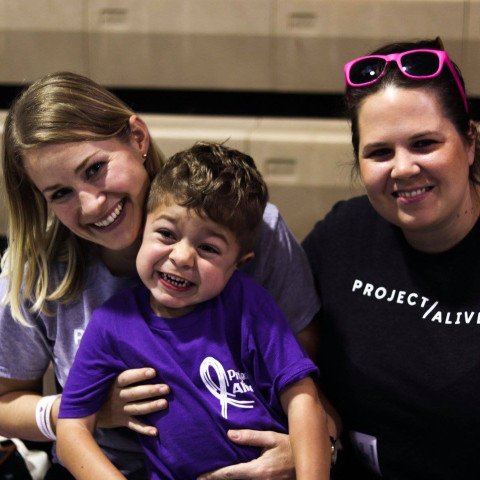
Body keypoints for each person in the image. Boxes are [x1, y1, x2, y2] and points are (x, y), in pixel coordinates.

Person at [0, 71, 329, 479]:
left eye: (94, 169)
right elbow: (13, 405)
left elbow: (303, 373)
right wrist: (91, 409)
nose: (90, 205)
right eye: (60, 193)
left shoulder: (252, 228)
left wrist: (307, 448)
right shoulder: (39, 271)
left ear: (137, 138)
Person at [55, 142, 330, 480]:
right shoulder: (111, 323)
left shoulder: (250, 304)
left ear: (238, 265)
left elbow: (303, 400)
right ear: (142, 232)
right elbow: (71, 430)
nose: (182, 257)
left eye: (208, 248)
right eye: (167, 234)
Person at [302, 37, 480, 479]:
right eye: (380, 152)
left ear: (470, 142)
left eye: (424, 144)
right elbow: (277, 356)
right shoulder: (343, 234)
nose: (402, 168)